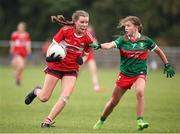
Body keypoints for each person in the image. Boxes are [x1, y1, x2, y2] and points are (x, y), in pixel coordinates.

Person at [89, 16, 175, 131]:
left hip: (140, 73)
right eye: (125, 26)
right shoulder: (122, 40)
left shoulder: (146, 40)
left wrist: (167, 64)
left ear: (136, 27)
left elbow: (158, 50)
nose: (125, 28)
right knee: (113, 102)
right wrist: (99, 46)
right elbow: (110, 45)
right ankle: (101, 120)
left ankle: (140, 120)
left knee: (140, 91)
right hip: (125, 75)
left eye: (128, 26)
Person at [24, 10, 94, 128]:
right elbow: (52, 45)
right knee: (44, 98)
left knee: (65, 96)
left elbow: (86, 54)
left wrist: (82, 60)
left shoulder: (88, 38)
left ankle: (47, 121)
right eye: (82, 22)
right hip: (56, 66)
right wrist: (49, 57)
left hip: (71, 70)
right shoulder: (66, 30)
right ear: (75, 22)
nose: (85, 25)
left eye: (86, 22)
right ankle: (37, 91)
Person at [9, 22, 31, 86]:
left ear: (24, 28)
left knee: (22, 68)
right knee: (21, 66)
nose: (20, 28)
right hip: (17, 53)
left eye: (21, 27)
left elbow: (28, 44)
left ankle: (18, 81)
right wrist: (11, 53)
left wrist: (29, 52)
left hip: (24, 53)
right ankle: (15, 74)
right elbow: (12, 44)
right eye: (19, 26)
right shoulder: (14, 34)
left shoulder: (26, 35)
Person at [84, 25, 103, 92]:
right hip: (81, 55)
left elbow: (95, 42)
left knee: (93, 71)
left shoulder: (91, 34)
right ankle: (69, 86)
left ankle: (96, 87)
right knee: (76, 72)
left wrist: (95, 44)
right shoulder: (81, 33)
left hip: (89, 54)